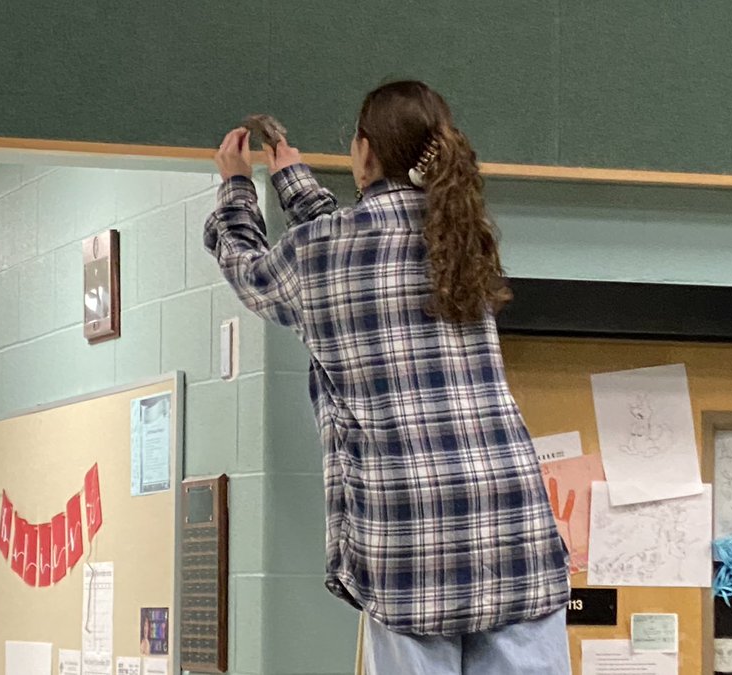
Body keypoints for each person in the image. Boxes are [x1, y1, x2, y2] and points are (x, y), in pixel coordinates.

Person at [204, 80, 571, 674]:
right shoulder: (458, 235)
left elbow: (253, 271)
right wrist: (294, 181)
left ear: (365, 152)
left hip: (406, 532)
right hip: (513, 523)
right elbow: (356, 240)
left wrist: (236, 190)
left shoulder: (323, 252)